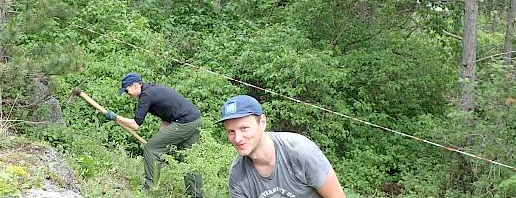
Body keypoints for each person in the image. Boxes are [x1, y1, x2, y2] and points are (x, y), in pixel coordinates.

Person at [217, 95, 346, 198]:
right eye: (231, 132)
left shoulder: (300, 152)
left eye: (244, 128)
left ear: (262, 122)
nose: (238, 138)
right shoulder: (238, 176)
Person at [104, 72, 204, 197]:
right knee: (189, 158)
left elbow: (135, 124)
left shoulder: (146, 95)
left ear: (135, 85)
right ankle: (195, 195)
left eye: (126, 90)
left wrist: (115, 118)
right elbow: (167, 116)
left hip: (184, 122)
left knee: (151, 148)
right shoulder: (153, 90)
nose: (126, 94)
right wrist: (160, 137)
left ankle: (151, 189)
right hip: (195, 120)